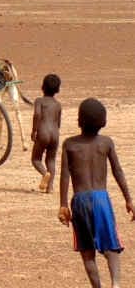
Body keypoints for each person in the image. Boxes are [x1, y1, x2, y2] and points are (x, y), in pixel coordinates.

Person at [59, 98, 133, 288]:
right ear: (104, 122)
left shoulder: (69, 144)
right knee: (111, 246)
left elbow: (65, 176)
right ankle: (115, 284)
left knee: (87, 250)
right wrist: (129, 199)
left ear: (79, 121)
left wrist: (63, 204)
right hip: (101, 200)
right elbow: (118, 171)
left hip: (80, 201)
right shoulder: (106, 143)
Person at [31, 74, 62, 193]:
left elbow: (37, 115)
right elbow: (58, 122)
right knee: (51, 159)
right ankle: (50, 187)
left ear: (42, 87)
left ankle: (45, 174)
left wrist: (34, 130)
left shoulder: (39, 101)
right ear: (57, 90)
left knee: (36, 159)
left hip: (43, 133)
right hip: (55, 134)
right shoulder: (58, 104)